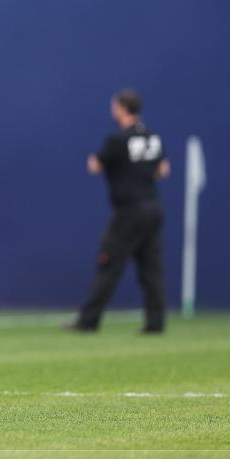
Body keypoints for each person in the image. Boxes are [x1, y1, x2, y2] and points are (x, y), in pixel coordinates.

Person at [68, 89, 170, 334]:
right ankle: (156, 324)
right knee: (151, 270)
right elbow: (163, 170)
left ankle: (88, 321)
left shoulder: (117, 139)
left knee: (109, 264)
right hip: (153, 208)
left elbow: (95, 165)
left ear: (123, 108)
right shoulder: (152, 137)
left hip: (129, 212)